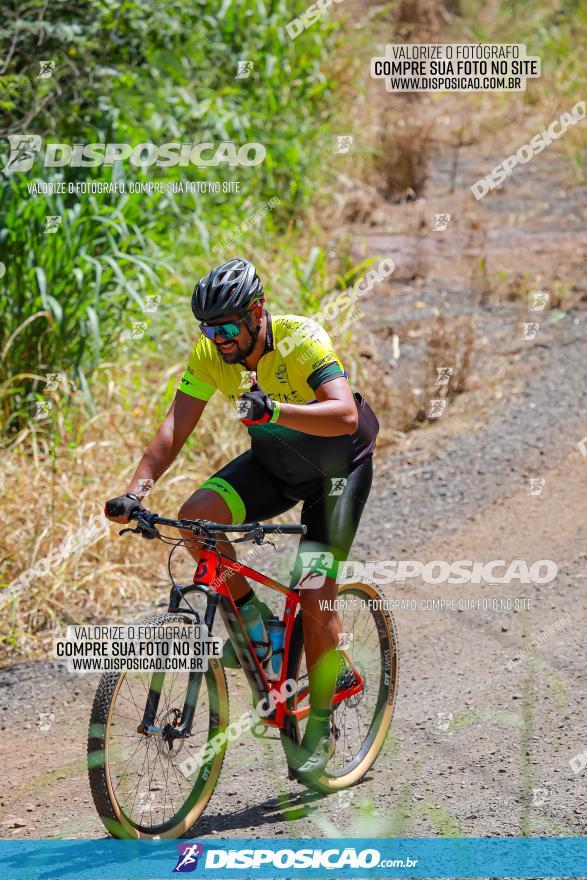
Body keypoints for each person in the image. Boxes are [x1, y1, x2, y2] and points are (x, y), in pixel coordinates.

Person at [104, 257, 379, 780]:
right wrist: (135, 492)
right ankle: (259, 629)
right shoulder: (212, 353)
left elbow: (344, 414)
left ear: (257, 312)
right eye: (208, 327)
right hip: (275, 466)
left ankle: (325, 704)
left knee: (316, 590)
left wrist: (273, 410)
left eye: (228, 325)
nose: (217, 336)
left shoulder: (302, 339)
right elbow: (173, 429)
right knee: (195, 521)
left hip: (338, 471)